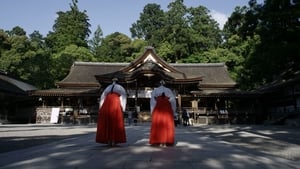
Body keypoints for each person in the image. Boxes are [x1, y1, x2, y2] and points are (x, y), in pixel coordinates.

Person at [96, 78, 127, 147]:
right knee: (115, 121)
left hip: (107, 103)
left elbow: (102, 97)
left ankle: (109, 140)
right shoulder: (120, 87)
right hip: (115, 102)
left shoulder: (108, 87)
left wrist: (101, 107)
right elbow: (123, 97)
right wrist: (123, 108)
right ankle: (113, 140)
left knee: (107, 121)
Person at [149, 80, 176, 146]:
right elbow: (173, 101)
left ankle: (157, 140)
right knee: (167, 123)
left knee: (158, 123)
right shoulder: (169, 90)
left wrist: (152, 111)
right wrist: (173, 110)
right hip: (167, 106)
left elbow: (152, 101)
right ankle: (167, 141)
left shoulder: (155, 90)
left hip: (158, 106)